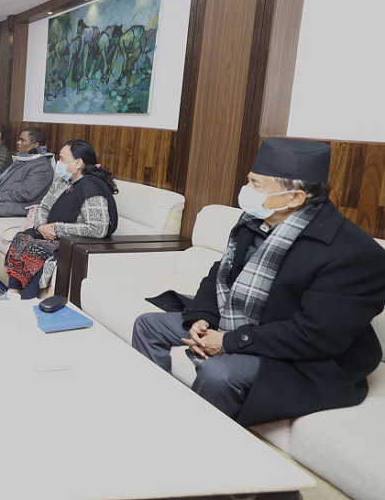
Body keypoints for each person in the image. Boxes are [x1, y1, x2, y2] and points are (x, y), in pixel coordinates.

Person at [132, 138, 385, 426]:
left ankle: (193, 437)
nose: (246, 190)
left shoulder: (354, 254)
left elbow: (314, 336)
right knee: (148, 325)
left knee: (218, 374)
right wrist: (203, 316)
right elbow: (221, 272)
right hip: (239, 321)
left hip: (302, 355)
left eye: (256, 184)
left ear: (295, 198)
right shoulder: (256, 219)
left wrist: (227, 342)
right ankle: (153, 410)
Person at [2, 139, 117, 299]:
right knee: (23, 237)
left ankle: (29, 299)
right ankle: (12, 293)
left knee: (36, 247)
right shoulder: (62, 181)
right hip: (51, 234)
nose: (58, 163)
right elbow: (43, 206)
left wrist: (57, 228)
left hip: (74, 241)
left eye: (62, 159)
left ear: (78, 163)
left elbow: (98, 228)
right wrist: (41, 226)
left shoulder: (90, 187)